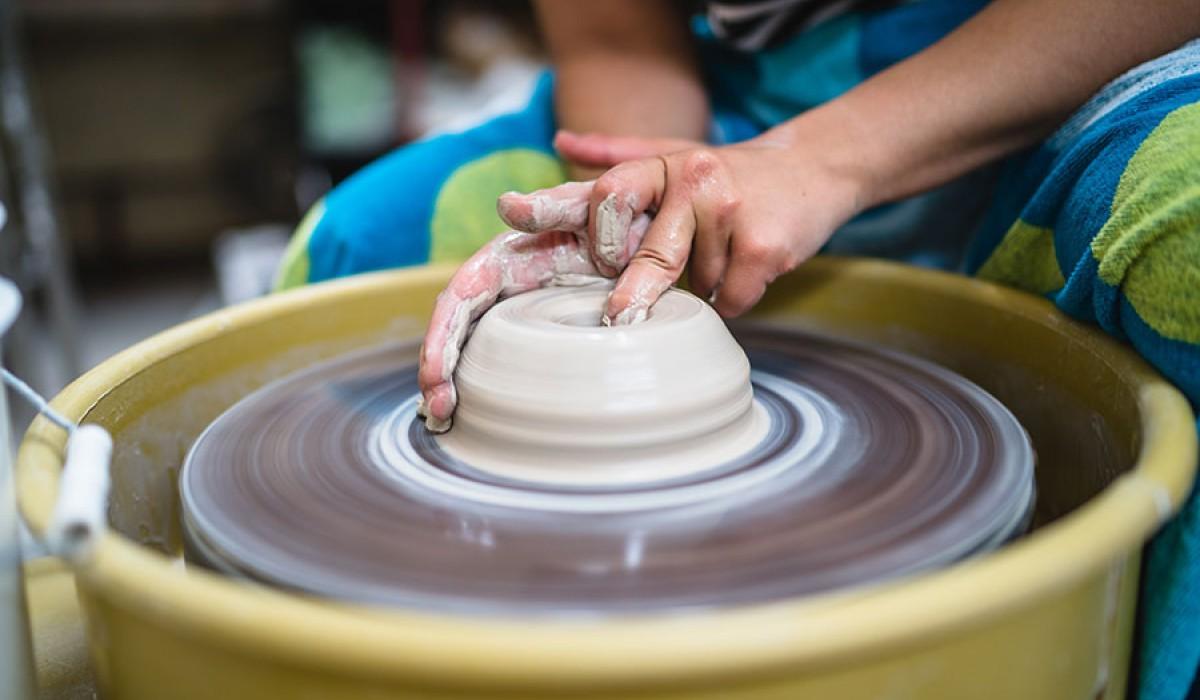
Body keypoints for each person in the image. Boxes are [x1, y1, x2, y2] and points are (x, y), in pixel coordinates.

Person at [275, 2, 1200, 698]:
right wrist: (650, 208)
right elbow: (616, 37)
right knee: (357, 247)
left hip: (1053, 92)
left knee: (1188, 244)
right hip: (727, 117)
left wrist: (822, 162)